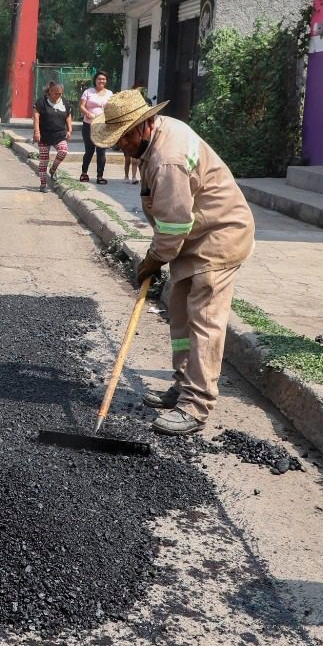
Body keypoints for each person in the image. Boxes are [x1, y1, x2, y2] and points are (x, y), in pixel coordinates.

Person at [94, 89, 255, 436]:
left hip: (219, 235)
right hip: (194, 236)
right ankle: (183, 386)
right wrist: (159, 256)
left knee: (204, 319)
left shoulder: (169, 158)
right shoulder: (156, 136)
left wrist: (152, 261)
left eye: (123, 138)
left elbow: (173, 226)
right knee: (179, 311)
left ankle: (196, 405)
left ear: (144, 126)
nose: (120, 145)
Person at [33, 79, 70, 192]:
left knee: (63, 150)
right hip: (44, 135)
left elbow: (68, 116)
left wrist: (70, 130)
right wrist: (37, 132)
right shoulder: (41, 102)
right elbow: (36, 116)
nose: (58, 95)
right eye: (56, 93)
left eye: (60, 93)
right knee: (44, 160)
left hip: (59, 134)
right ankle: (43, 184)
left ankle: (53, 169)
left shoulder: (64, 102)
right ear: (50, 91)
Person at [79, 72, 113, 183]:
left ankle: (100, 176)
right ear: (95, 80)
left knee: (101, 151)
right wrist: (87, 113)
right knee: (89, 150)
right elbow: (81, 106)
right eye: (99, 79)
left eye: (104, 79)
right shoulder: (88, 92)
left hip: (103, 126)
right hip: (89, 125)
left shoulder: (110, 93)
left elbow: (113, 108)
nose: (101, 81)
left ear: (106, 81)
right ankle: (84, 173)